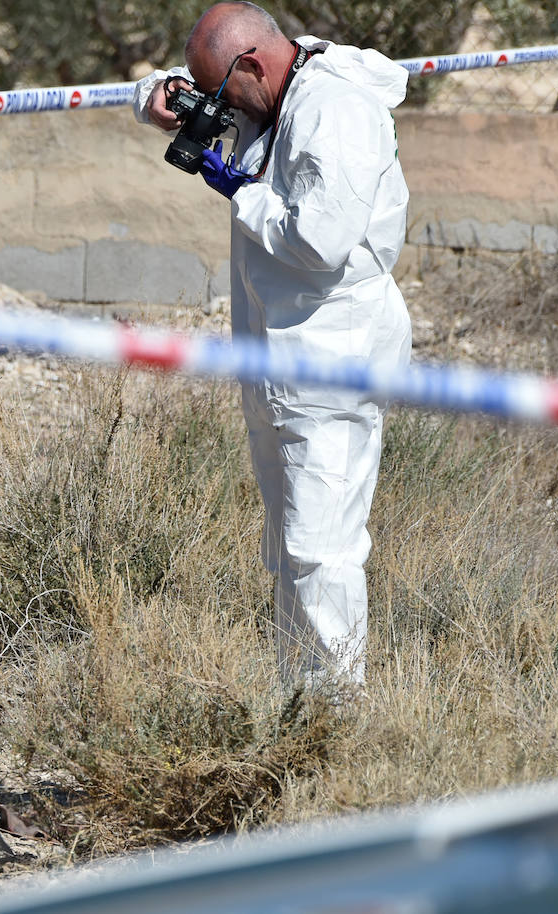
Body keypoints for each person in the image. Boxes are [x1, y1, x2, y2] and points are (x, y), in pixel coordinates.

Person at [135, 2, 412, 686]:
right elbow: (178, 84)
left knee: (322, 551)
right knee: (289, 547)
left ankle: (334, 720)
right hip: (277, 357)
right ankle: (297, 699)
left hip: (332, 357)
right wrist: (159, 99)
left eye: (222, 91)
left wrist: (242, 191)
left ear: (252, 65)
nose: (222, 108)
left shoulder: (337, 111)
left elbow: (319, 241)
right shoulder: (273, 85)